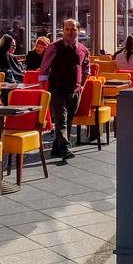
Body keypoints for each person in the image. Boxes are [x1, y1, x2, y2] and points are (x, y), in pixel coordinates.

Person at [42, 18, 90, 162]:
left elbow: (87, 69)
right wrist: (43, 90)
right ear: (62, 30)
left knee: (69, 121)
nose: (70, 32)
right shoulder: (53, 47)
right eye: (67, 29)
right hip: (57, 89)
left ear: (78, 30)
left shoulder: (83, 49)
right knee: (61, 120)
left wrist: (82, 85)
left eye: (73, 29)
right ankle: (65, 149)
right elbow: (44, 69)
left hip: (74, 91)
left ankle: (57, 148)